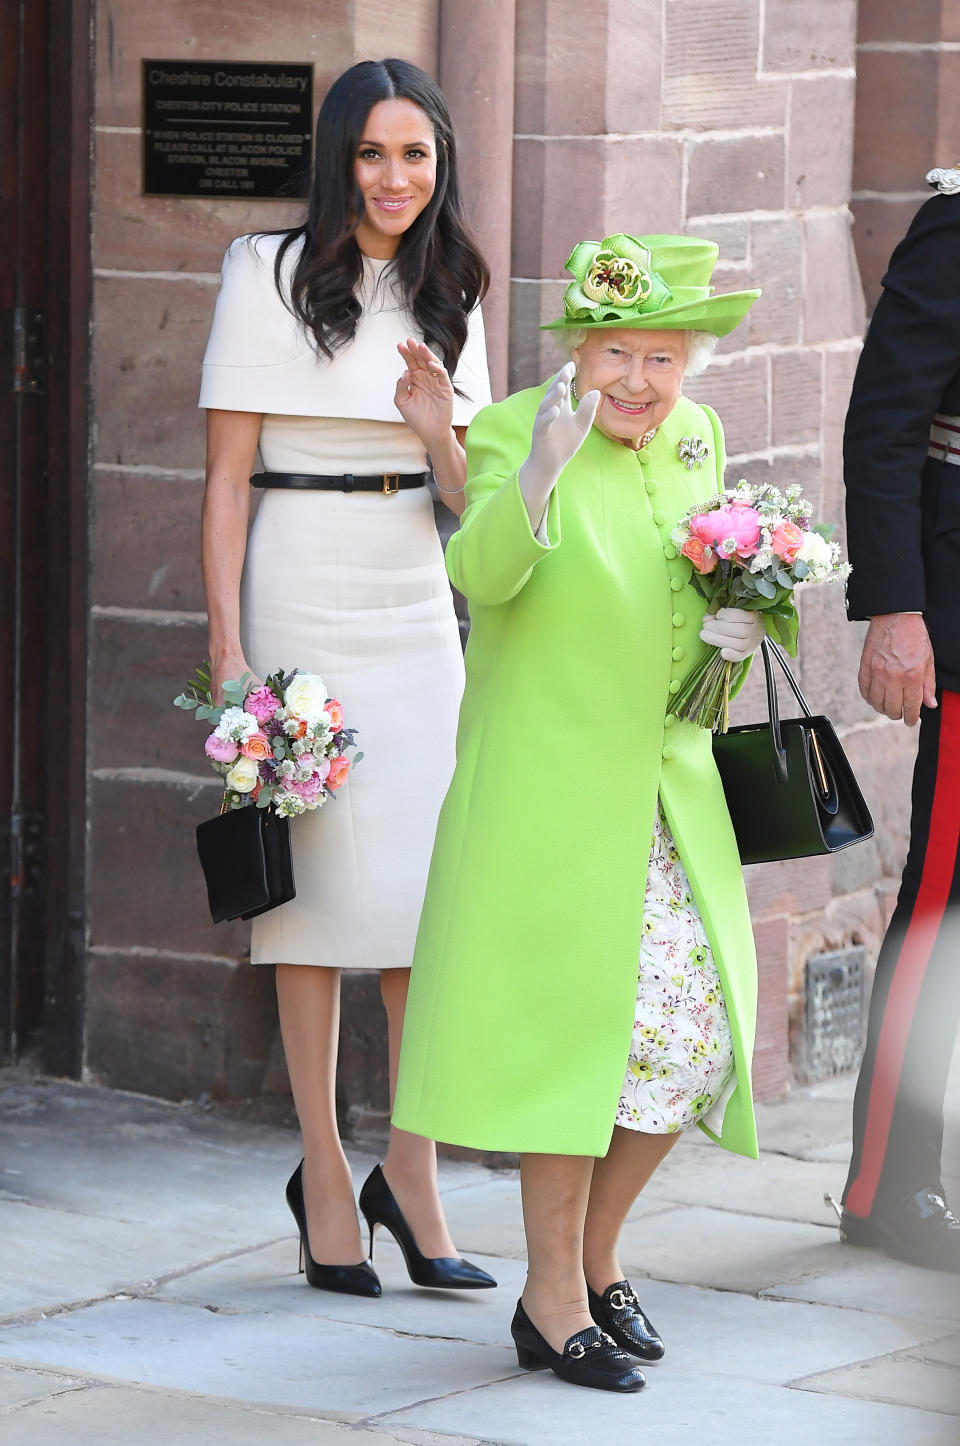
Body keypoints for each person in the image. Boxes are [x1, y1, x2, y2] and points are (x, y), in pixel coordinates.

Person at [392, 233, 764, 1390]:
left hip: (666, 789)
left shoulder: (697, 436)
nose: (641, 382)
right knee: (574, 1050)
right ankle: (551, 1300)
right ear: (580, 351)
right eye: (618, 355)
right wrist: (543, 461)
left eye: (664, 357)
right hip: (547, 796)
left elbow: (700, 579)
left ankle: (594, 1260)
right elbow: (482, 577)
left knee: (692, 1039)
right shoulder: (516, 427)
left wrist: (741, 636)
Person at [199, 58, 496, 1297]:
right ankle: (325, 1166)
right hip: (299, 586)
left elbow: (467, 506)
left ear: (440, 164)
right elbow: (222, 481)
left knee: (430, 895)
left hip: (413, 595)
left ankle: (410, 1166)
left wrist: (440, 435)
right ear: (338, 158)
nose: (394, 178)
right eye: (372, 154)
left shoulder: (453, 287)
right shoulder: (265, 272)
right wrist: (227, 647)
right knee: (312, 901)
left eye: (416, 154)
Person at [838, 165, 960, 1273]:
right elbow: (886, 424)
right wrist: (896, 606)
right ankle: (889, 1182)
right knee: (944, 907)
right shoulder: (956, 227)